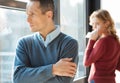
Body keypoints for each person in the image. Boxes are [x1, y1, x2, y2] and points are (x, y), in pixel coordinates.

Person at [13, 0, 78, 83]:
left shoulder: (69, 44)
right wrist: (53, 69)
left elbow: (63, 81)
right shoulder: (23, 43)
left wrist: (30, 76)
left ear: (49, 15)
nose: (28, 20)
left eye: (32, 14)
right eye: (27, 15)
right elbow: (18, 78)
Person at [83, 9, 120, 83]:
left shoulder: (103, 42)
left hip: (97, 80)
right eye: (93, 24)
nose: (94, 28)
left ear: (106, 23)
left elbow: (86, 62)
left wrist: (91, 41)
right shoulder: (116, 41)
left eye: (97, 24)